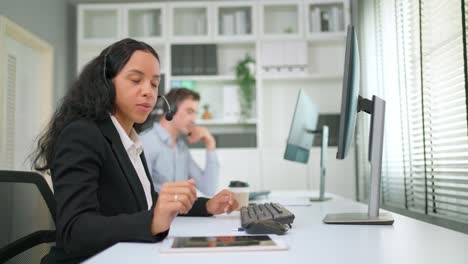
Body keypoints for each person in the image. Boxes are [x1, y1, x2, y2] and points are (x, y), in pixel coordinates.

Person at [31, 38, 238, 264]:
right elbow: (75, 230)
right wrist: (151, 222)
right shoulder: (82, 134)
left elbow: (150, 200)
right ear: (106, 83)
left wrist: (206, 206)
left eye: (154, 83)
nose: (148, 91)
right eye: (136, 80)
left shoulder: (128, 139)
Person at [140, 88, 219, 196]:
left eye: (195, 114)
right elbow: (142, 197)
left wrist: (210, 143)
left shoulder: (182, 149)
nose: (194, 120)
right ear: (171, 110)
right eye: (189, 112)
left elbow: (209, 189)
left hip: (179, 213)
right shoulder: (146, 142)